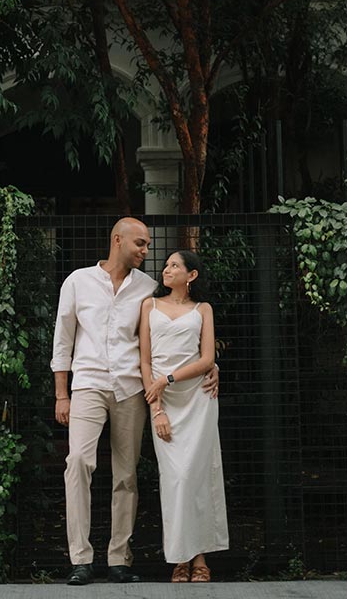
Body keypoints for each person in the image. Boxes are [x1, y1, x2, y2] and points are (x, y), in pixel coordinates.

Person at [51, 218, 219, 585]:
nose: (146, 250)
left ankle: (118, 560)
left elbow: (172, 331)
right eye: (140, 243)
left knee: (126, 475)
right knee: (77, 462)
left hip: (130, 388)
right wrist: (61, 393)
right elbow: (63, 339)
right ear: (118, 240)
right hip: (88, 384)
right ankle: (80, 559)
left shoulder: (147, 288)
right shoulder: (78, 281)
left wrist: (212, 364)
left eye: (147, 245)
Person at [139, 249, 229, 582]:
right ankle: (179, 556)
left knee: (197, 475)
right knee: (175, 478)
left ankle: (200, 556)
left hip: (198, 398)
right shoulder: (149, 305)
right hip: (163, 402)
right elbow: (144, 360)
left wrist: (169, 378)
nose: (166, 269)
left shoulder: (202, 309)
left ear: (191, 275)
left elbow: (206, 359)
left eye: (174, 265)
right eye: (166, 265)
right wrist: (157, 408)